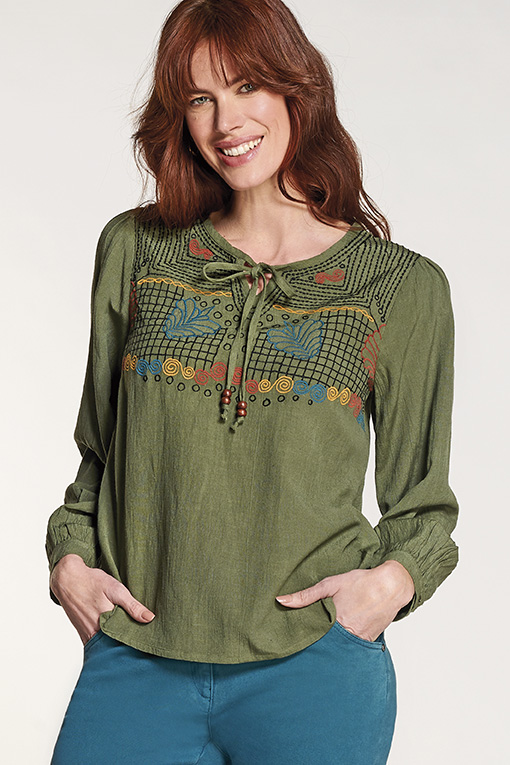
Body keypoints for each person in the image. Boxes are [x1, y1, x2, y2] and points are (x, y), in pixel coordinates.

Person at [46, 0, 459, 763]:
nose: (225, 120)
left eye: (245, 86)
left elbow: (422, 503)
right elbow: (99, 451)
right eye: (199, 97)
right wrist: (70, 559)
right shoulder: (137, 250)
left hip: (313, 671)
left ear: (296, 88)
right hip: (138, 654)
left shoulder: (400, 287)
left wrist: (387, 585)